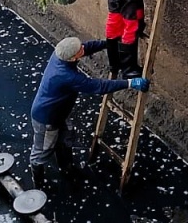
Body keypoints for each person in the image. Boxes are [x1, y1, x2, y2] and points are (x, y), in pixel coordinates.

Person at [29, 35, 148, 188]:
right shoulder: (67, 76)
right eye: (80, 50)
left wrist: (108, 43)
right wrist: (131, 82)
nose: (83, 49)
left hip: (60, 113)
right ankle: (38, 183)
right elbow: (98, 86)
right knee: (43, 150)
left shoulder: (60, 54)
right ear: (72, 59)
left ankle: (67, 168)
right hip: (46, 118)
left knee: (66, 139)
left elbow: (87, 47)